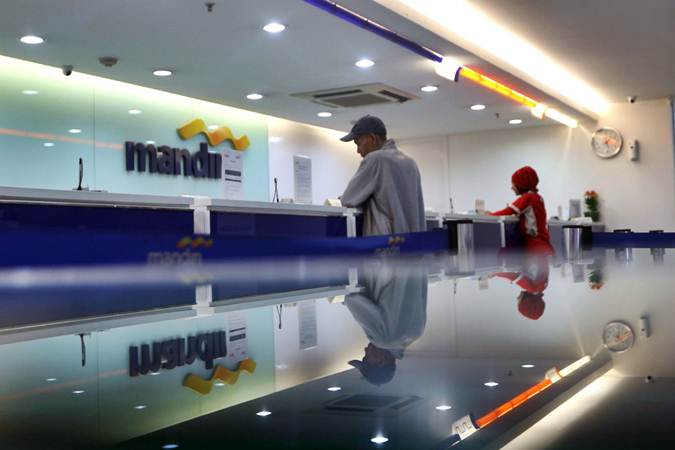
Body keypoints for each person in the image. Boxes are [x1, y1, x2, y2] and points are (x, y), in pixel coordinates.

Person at [345, 258, 428, 385]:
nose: (365, 350)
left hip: (410, 252)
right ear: (381, 361)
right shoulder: (383, 340)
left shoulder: (416, 333)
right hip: (384, 257)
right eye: (366, 358)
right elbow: (353, 300)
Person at [340, 115, 426, 236]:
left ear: (372, 138)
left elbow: (348, 200)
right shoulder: (410, 162)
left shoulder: (375, 159)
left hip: (387, 242)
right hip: (412, 242)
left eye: (358, 143)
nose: (358, 151)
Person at [489, 166, 554, 254]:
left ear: (521, 184)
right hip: (545, 245)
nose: (512, 187)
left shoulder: (528, 197)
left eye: (513, 184)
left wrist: (490, 215)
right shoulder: (537, 197)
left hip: (536, 247)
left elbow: (508, 211)